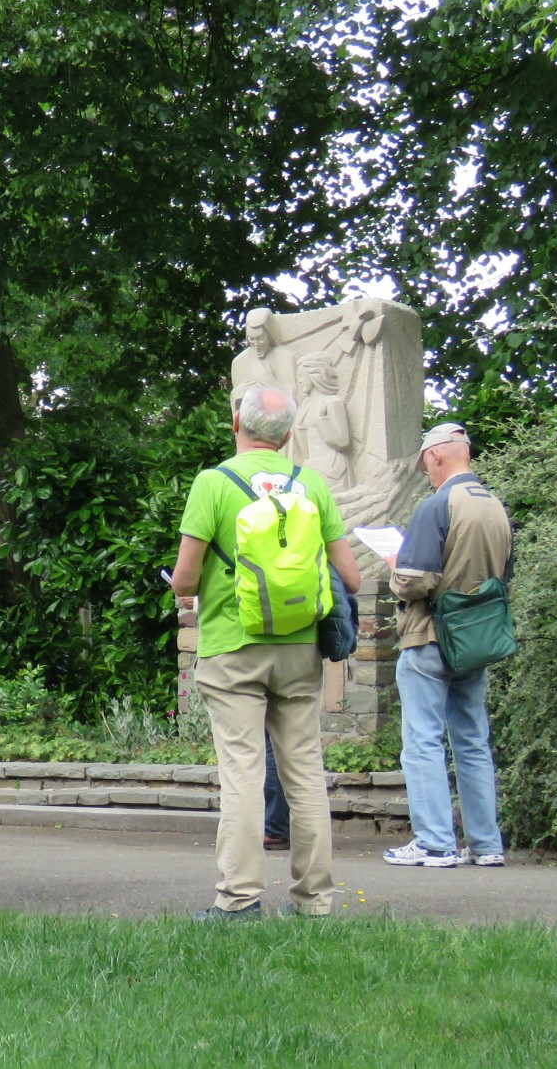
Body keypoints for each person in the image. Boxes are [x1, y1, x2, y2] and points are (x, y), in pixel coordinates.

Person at [171, 385, 361, 920]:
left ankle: (239, 899)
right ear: (290, 435)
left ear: (237, 423)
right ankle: (315, 900)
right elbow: (349, 574)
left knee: (243, 776)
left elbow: (185, 575)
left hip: (233, 648)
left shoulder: (213, 484)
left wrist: (185, 588)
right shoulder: (312, 484)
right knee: (305, 774)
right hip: (300, 649)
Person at [380, 423, 514, 869]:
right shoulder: (496, 506)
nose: (426, 472)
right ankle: (486, 843)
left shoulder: (437, 505)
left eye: (425, 464)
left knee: (422, 741)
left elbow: (417, 582)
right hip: (476, 640)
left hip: (430, 639)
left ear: (436, 457)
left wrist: (395, 567)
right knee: (473, 741)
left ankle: (435, 843)